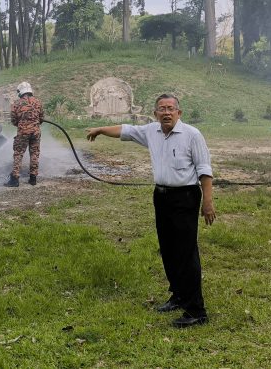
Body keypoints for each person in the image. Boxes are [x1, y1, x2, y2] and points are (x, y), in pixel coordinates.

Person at [86, 94, 215, 328]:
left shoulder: (192, 135)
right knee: (168, 249)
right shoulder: (151, 132)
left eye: (171, 109)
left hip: (185, 197)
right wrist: (100, 129)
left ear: (179, 112)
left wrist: (208, 202)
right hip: (162, 196)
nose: (166, 113)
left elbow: (204, 169)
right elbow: (125, 130)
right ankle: (177, 295)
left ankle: (196, 310)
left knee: (186, 253)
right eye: (161, 109)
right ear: (155, 114)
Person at [5, 81, 44, 187]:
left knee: (18, 154)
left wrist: (22, 124)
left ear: (20, 92)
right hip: (36, 132)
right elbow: (41, 119)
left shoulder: (16, 104)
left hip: (22, 133)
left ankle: (15, 180)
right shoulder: (38, 102)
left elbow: (14, 120)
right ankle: (33, 178)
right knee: (34, 154)